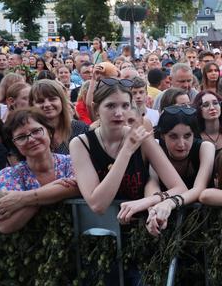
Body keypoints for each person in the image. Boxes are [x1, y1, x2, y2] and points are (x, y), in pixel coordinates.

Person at [69, 79, 187, 219]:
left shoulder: (143, 139)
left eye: (125, 106)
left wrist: (147, 201)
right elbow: (98, 205)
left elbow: (180, 188)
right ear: (96, 109)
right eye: (111, 106)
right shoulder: (81, 143)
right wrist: (127, 150)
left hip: (143, 226)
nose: (119, 113)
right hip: (101, 230)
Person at [0, 108, 79, 233]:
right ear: (15, 145)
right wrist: (54, 191)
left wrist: (23, 199)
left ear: (49, 132)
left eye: (36, 131)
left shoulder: (72, 162)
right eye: (21, 137)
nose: (31, 139)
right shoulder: (7, 176)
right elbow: (4, 225)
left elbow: (79, 186)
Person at [145, 105, 214, 235]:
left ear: (195, 134)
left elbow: (199, 188)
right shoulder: (156, 147)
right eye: (173, 136)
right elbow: (152, 182)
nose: (181, 144)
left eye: (187, 136)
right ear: (163, 135)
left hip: (201, 226)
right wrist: (152, 212)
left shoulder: (205, 148)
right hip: (165, 225)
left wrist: (170, 203)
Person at [29, 79, 88, 154]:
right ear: (32, 105)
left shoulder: (81, 129)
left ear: (62, 101)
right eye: (40, 101)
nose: (47, 104)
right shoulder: (30, 136)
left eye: (52, 99)